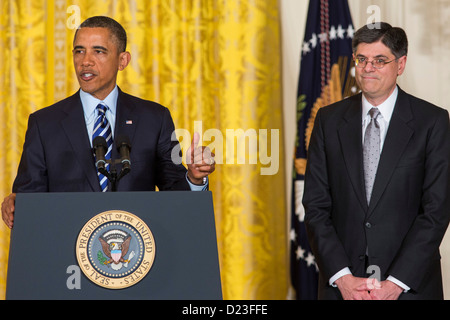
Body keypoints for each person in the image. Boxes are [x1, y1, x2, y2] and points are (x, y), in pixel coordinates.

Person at [1, 16, 215, 229]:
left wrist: (194, 178)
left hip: (137, 251)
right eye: (79, 50)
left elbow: (175, 194)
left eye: (99, 51)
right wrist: (18, 205)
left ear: (123, 61)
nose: (85, 60)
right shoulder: (44, 123)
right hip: (67, 253)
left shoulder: (154, 118)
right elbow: (28, 202)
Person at [303, 22, 450, 300]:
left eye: (380, 60)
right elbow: (316, 206)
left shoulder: (432, 121)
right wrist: (343, 278)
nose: (368, 68)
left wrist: (395, 284)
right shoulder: (328, 120)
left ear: (401, 63)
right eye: (361, 59)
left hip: (409, 287)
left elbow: (436, 211)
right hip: (343, 288)